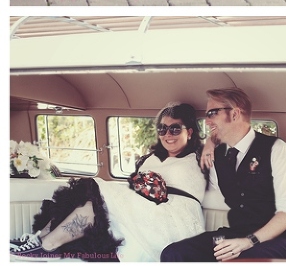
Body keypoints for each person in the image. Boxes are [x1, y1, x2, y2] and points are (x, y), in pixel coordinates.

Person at [10, 102, 206, 262]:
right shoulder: (152, 158)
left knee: (94, 189)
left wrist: (212, 143)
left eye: (174, 129)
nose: (167, 135)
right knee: (88, 199)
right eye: (163, 129)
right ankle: (40, 240)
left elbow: (227, 143)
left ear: (189, 132)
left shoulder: (201, 157)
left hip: (174, 217)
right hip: (144, 205)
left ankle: (47, 246)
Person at [161, 87, 286, 262]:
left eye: (213, 113)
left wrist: (248, 241)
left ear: (235, 114)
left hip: (280, 237)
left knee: (242, 262)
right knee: (174, 253)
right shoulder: (216, 156)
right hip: (238, 232)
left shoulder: (277, 149)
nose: (207, 121)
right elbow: (198, 188)